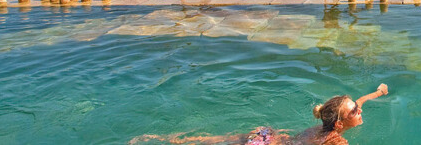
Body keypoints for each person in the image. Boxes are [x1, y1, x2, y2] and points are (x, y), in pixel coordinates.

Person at [129, 84, 389, 145]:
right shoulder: (335, 140)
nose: (359, 110)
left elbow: (361, 100)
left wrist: (378, 92)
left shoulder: (333, 123)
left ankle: (168, 137)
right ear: (341, 122)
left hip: (269, 136)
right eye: (355, 110)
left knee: (217, 138)